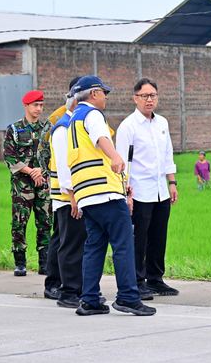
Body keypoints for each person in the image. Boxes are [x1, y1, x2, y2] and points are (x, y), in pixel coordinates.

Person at [67, 75, 156, 316]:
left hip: (87, 194)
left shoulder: (73, 119)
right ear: (93, 93)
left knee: (94, 247)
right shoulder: (92, 114)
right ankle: (128, 296)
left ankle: (89, 300)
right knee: (124, 244)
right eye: (104, 92)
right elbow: (101, 138)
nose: (106, 97)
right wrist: (116, 157)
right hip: (105, 193)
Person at [116, 78, 179, 299]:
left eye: (153, 95)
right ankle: (137, 281)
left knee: (158, 236)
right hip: (139, 192)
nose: (149, 100)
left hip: (161, 190)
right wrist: (125, 194)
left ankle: (155, 279)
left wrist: (172, 183)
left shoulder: (162, 123)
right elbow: (121, 163)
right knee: (139, 238)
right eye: (145, 96)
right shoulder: (128, 126)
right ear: (135, 98)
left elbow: (168, 155)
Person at [44, 88, 90, 308]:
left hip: (76, 195)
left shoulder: (73, 124)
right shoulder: (63, 127)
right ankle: (68, 292)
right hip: (67, 197)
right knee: (70, 244)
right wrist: (73, 196)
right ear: (74, 103)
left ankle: (78, 289)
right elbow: (63, 166)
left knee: (78, 243)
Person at [3, 90, 52, 277]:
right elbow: (9, 157)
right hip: (21, 186)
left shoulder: (48, 129)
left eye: (41, 105)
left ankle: (45, 262)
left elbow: (53, 156)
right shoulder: (14, 129)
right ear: (26, 106)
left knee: (46, 222)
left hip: (43, 184)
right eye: (35, 105)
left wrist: (42, 170)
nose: (38, 109)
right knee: (19, 222)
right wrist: (31, 171)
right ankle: (20, 262)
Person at [40, 77, 80, 300]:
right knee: (64, 239)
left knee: (65, 238)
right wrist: (48, 177)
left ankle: (71, 284)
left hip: (73, 191)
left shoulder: (80, 119)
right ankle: (57, 284)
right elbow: (44, 151)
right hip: (63, 191)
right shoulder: (60, 120)